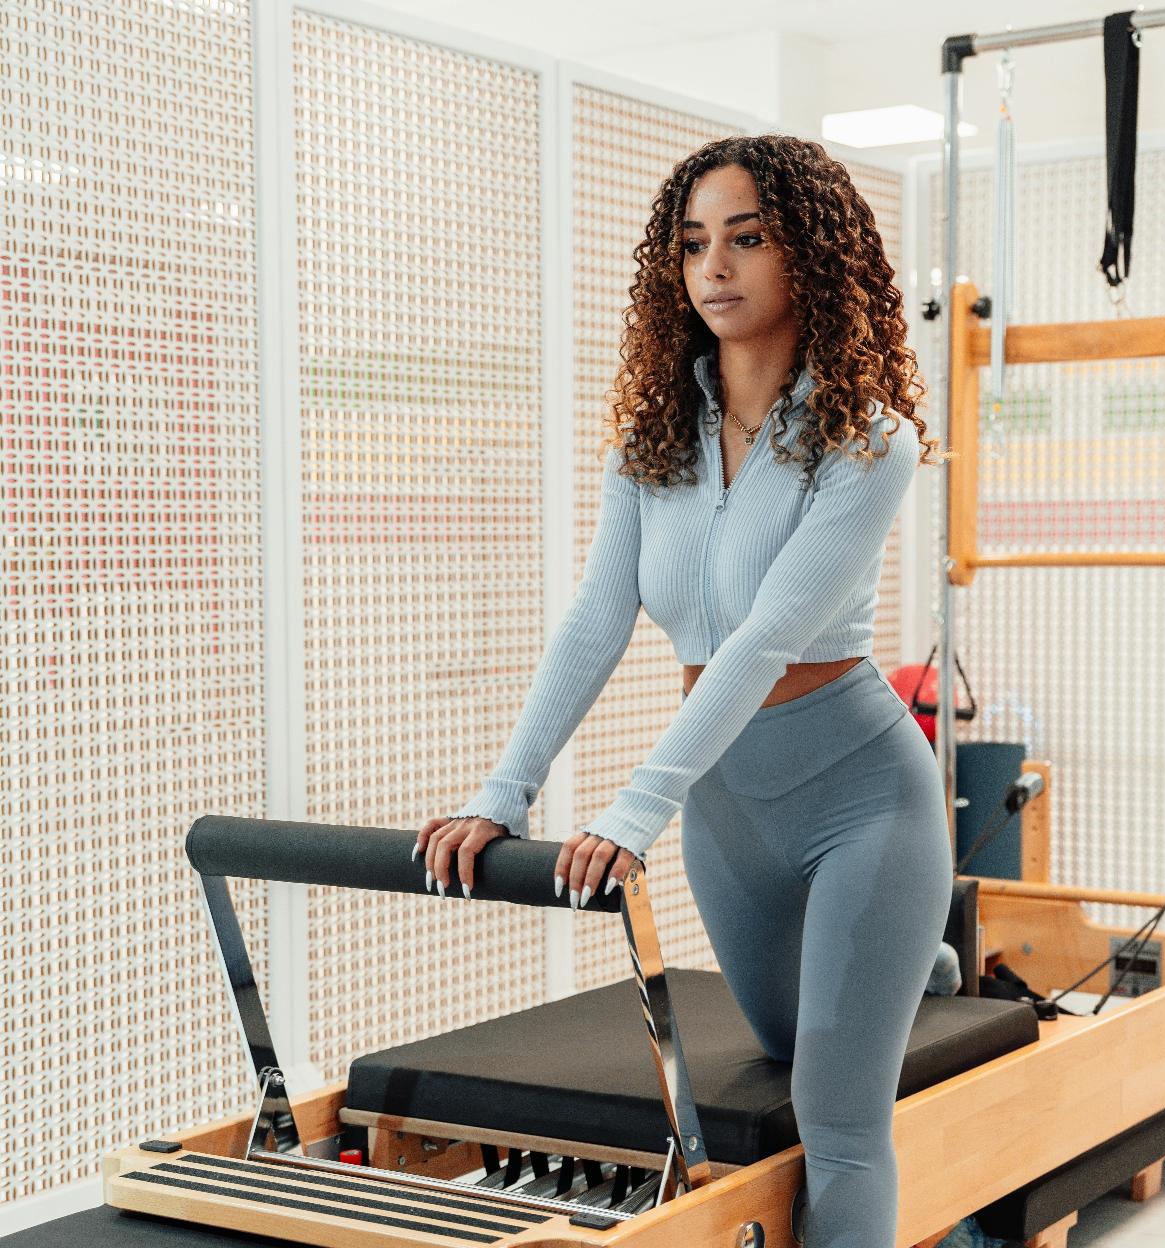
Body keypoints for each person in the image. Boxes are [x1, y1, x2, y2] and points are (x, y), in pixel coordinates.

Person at [417, 134, 955, 1248]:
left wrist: (633, 810)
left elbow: (765, 638)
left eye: (748, 239)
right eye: (695, 243)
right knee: (790, 1036)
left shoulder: (870, 441)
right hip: (731, 809)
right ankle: (927, 961)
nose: (716, 267)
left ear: (810, 254)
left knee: (839, 1117)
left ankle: (909, 931)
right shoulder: (652, 442)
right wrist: (502, 792)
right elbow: (596, 621)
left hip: (862, 798)